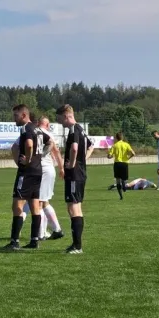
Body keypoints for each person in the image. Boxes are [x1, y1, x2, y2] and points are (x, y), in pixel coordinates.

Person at [4, 104, 52, 250]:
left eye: (16, 116)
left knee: (17, 206)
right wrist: (41, 156)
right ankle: (34, 240)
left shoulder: (26, 128)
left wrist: (28, 159)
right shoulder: (37, 129)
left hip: (27, 172)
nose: (14, 120)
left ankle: (14, 242)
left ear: (24, 115)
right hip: (38, 171)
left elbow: (29, 145)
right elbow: (49, 142)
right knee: (34, 206)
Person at [17, 116, 65, 240]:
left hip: (39, 169)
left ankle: (40, 233)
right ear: (47, 125)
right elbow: (55, 150)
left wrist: (26, 160)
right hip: (49, 170)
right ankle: (56, 229)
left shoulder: (32, 132)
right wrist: (61, 168)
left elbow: (15, 146)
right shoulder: (48, 134)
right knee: (42, 201)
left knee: (35, 203)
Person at [56, 104, 94, 254]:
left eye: (60, 119)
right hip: (81, 173)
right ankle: (76, 245)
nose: (60, 123)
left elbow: (74, 148)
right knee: (76, 207)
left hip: (74, 175)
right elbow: (91, 146)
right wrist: (81, 161)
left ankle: (77, 246)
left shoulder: (73, 129)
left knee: (73, 208)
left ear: (66, 116)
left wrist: (71, 164)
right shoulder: (82, 129)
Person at [107, 132, 135, 200]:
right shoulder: (126, 144)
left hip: (117, 164)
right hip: (124, 163)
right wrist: (128, 158)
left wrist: (109, 156)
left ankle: (121, 196)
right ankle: (124, 184)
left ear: (116, 138)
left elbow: (109, 156)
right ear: (122, 137)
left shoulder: (114, 145)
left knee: (117, 180)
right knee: (124, 179)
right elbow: (133, 153)